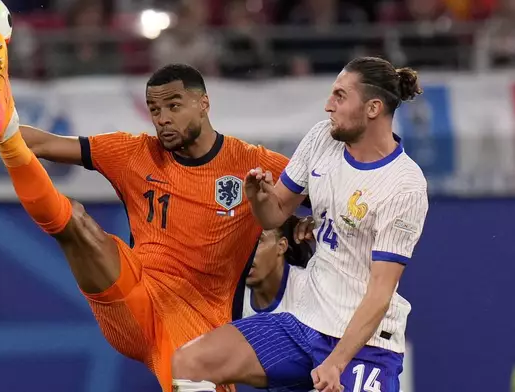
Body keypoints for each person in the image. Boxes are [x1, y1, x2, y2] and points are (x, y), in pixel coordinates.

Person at [0, 32, 307, 392]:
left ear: (203, 104)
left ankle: (4, 135)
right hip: (135, 295)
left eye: (174, 106)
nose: (163, 119)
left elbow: (325, 189)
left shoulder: (253, 161)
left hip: (197, 329)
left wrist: (308, 223)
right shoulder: (133, 153)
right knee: (76, 223)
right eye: (155, 109)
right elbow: (48, 143)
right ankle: (4, 136)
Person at [170, 56, 429, 392]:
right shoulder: (322, 138)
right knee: (188, 364)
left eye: (339, 96)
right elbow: (275, 214)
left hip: (365, 346)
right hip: (304, 322)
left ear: (373, 108)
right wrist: (259, 197)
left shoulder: (404, 185)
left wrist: (336, 362)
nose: (327, 106)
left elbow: (380, 292)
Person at [242, 215, 314, 320]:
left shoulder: (308, 289)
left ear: (281, 246)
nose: (245, 252)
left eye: (257, 241)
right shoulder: (233, 293)